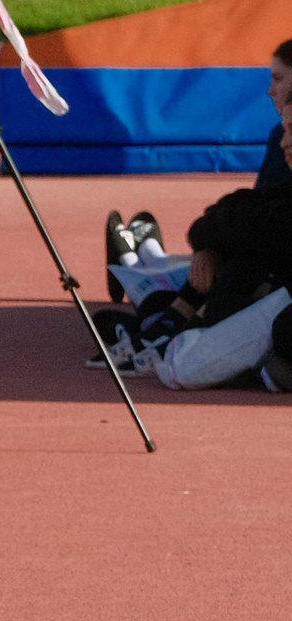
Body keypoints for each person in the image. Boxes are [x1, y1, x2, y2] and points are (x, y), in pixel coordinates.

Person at [106, 43, 292, 392]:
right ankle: (147, 271)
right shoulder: (279, 147)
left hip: (259, 281)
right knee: (222, 258)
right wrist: (207, 240)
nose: (270, 89)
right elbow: (251, 207)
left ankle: (158, 294)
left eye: (279, 78)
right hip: (251, 266)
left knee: (189, 357)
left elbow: (260, 226)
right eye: (286, 130)